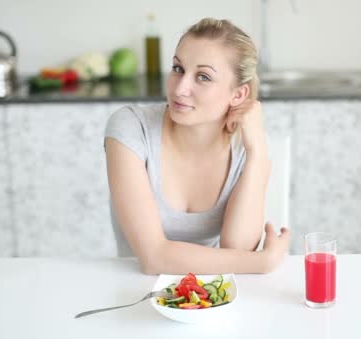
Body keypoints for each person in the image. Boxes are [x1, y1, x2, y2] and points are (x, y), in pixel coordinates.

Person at [104, 17, 290, 275]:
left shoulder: (244, 147)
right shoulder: (131, 128)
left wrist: (258, 155)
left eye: (203, 77)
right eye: (178, 69)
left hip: (214, 296)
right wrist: (263, 262)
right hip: (135, 292)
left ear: (238, 94)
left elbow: (237, 248)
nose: (180, 89)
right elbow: (153, 258)